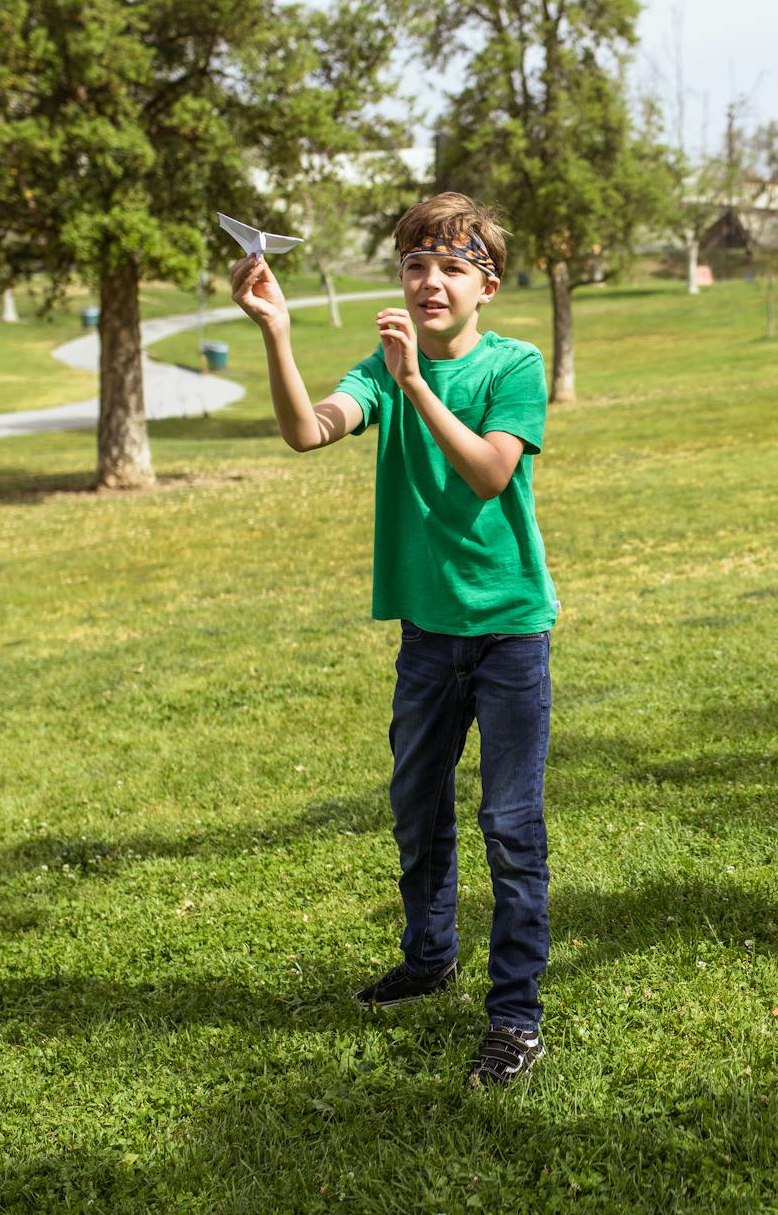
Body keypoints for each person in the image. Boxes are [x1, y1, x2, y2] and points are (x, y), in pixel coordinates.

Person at [230, 192, 556, 1085]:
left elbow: (491, 473)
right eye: (416, 265)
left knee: (510, 824)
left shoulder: (512, 365)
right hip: (427, 636)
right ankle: (429, 955)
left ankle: (517, 1015)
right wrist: (275, 331)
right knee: (417, 805)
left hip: (508, 635)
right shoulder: (376, 369)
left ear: (485, 285)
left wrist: (414, 383)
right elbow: (307, 432)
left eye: (452, 266)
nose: (430, 281)